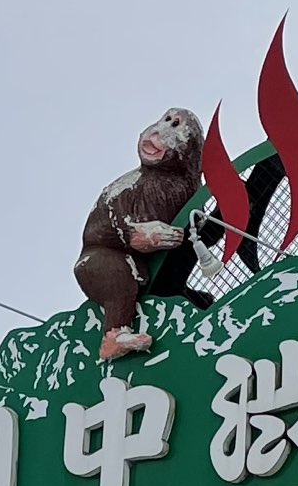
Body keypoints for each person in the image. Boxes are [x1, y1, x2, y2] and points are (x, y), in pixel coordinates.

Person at [75, 108, 206, 359]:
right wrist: (140, 234)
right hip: (100, 257)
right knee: (117, 274)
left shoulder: (187, 186)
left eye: (176, 124)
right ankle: (114, 335)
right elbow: (119, 222)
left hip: (146, 265)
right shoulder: (135, 184)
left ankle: (176, 291)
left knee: (179, 251)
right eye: (166, 120)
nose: (162, 130)